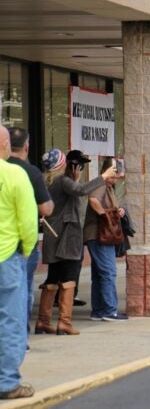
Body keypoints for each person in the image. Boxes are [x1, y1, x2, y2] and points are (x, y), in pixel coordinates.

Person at [36, 150, 116, 335]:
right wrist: (103, 176)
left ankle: (43, 320)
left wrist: (77, 178)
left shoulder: (48, 182)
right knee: (69, 277)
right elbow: (79, 192)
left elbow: (70, 196)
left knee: (53, 278)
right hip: (67, 236)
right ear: (63, 164)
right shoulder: (62, 181)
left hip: (53, 235)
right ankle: (64, 322)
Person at [6, 127, 54, 345]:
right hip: (19, 245)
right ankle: (19, 340)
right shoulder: (29, 172)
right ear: (26, 146)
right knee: (21, 292)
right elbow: (44, 209)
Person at [0, 125, 38, 400]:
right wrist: (27, 248)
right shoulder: (15, 174)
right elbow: (28, 220)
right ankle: (7, 382)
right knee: (10, 320)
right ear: (5, 145)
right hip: (8, 256)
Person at [83, 157, 129, 322]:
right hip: (100, 235)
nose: (117, 178)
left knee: (99, 273)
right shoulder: (101, 184)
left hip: (98, 235)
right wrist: (105, 216)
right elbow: (93, 200)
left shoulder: (108, 186)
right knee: (109, 272)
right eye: (115, 175)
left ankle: (99, 310)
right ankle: (110, 310)